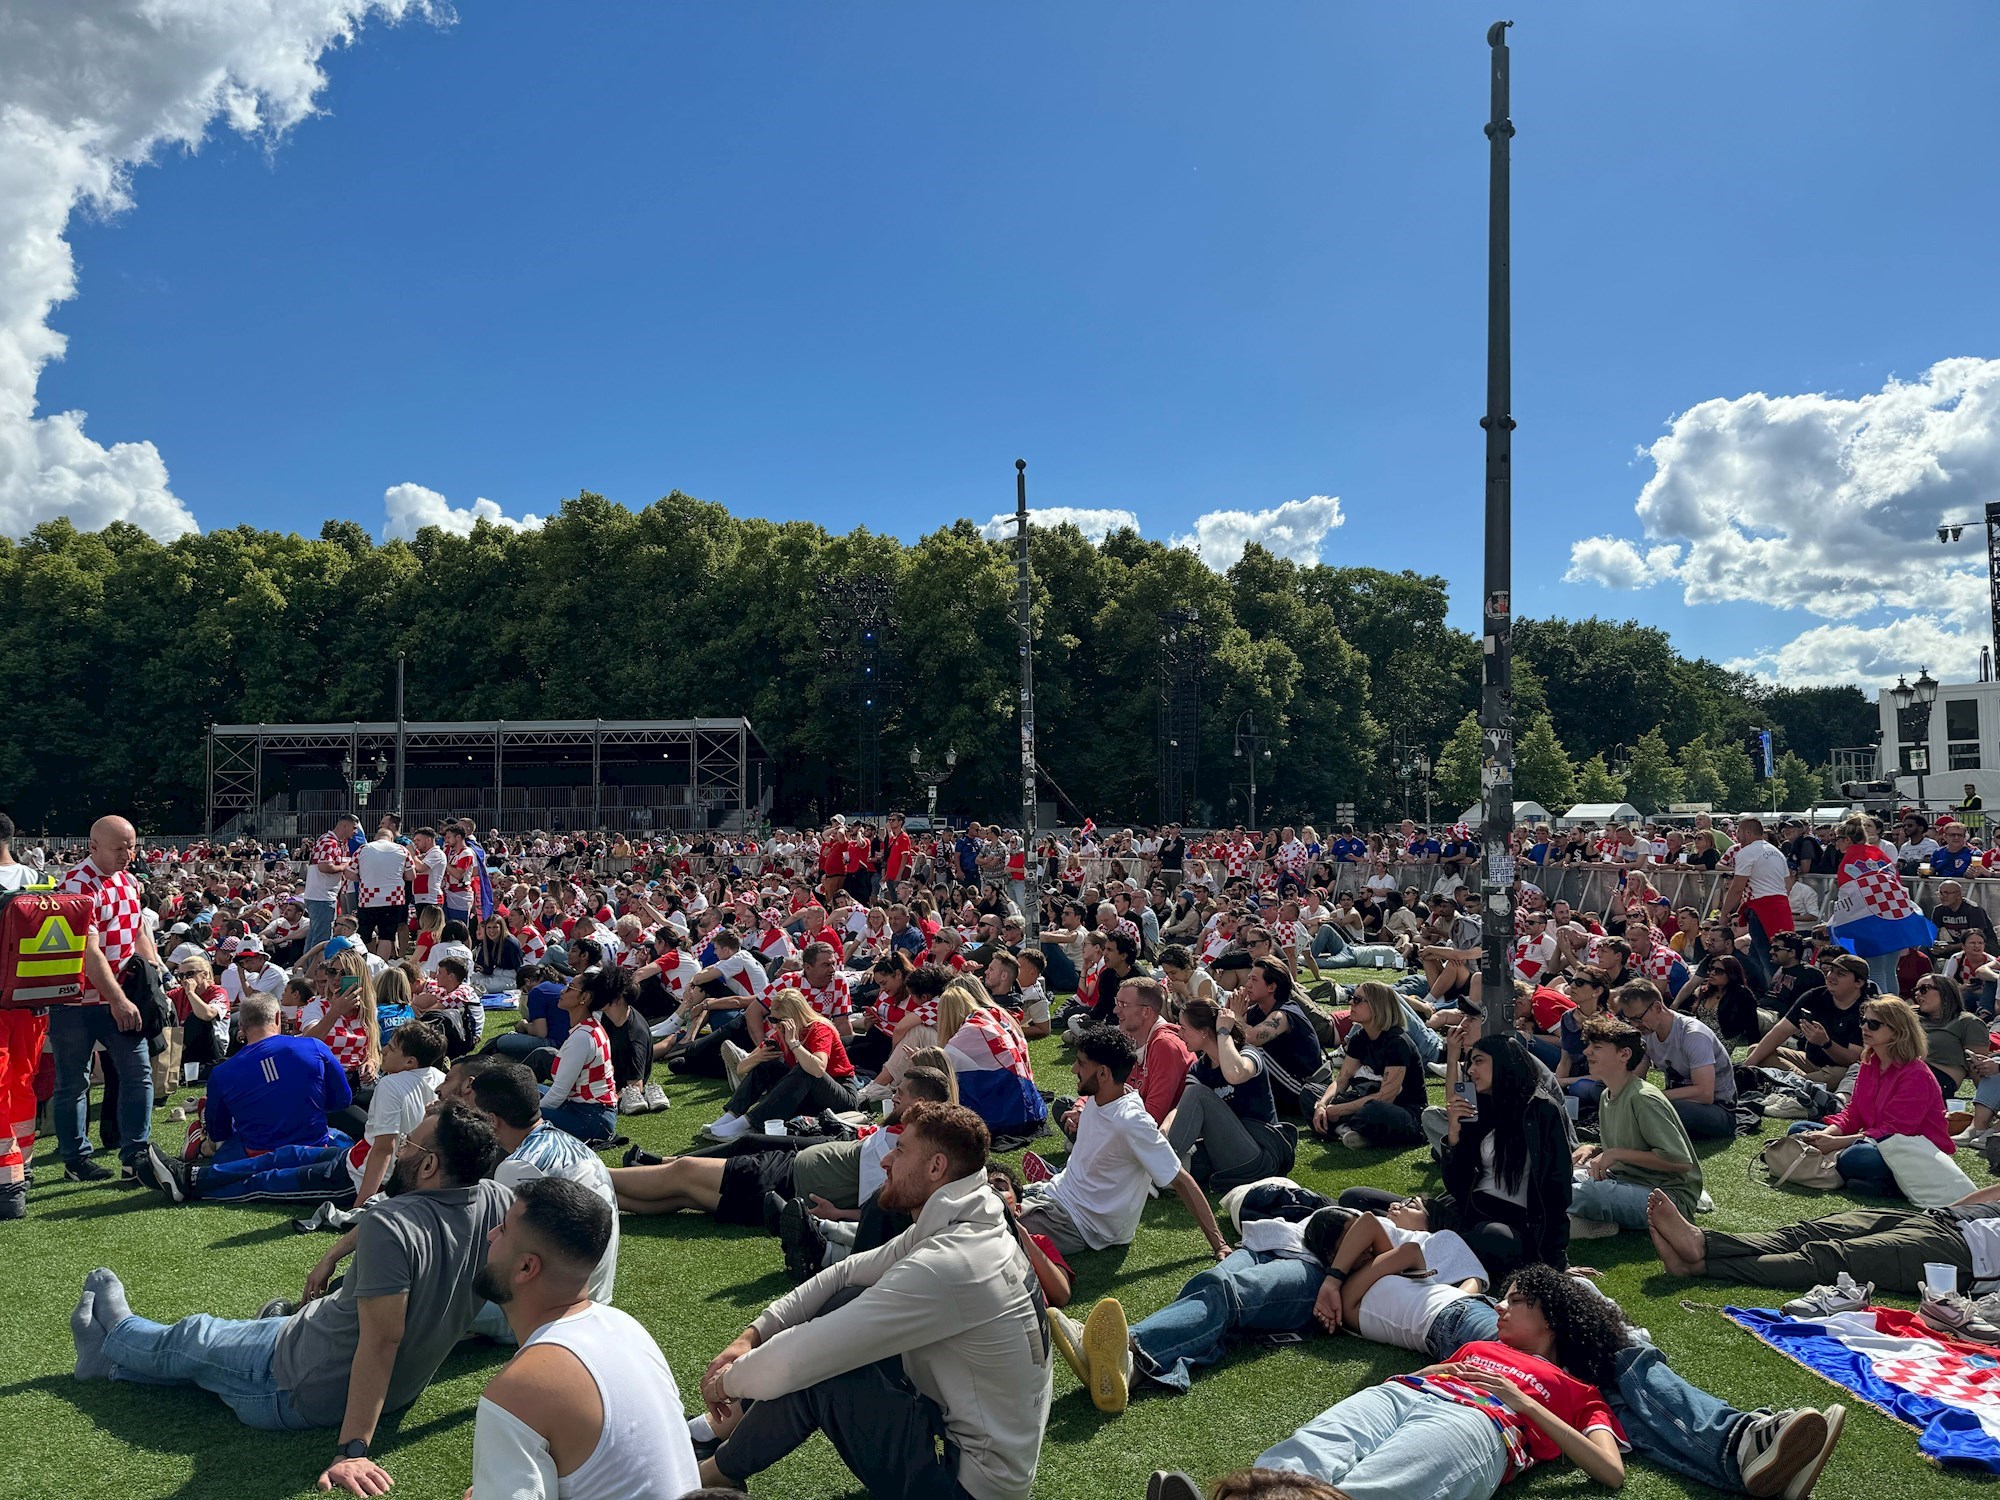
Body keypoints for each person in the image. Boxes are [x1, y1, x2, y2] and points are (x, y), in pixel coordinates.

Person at [72, 1103, 509, 1497]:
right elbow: (389, 1221)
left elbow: (382, 1343)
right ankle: (107, 1366)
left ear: (429, 1164)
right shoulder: (495, 1201)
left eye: (409, 1143)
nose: (399, 1149)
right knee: (209, 1364)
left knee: (192, 1337)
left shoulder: (394, 1226)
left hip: (294, 1383)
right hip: (378, 1381)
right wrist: (334, 1251)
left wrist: (353, 1449)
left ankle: (119, 1334)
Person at [694, 1102, 1053, 1500]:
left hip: (966, 1488)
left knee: (823, 1370)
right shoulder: (971, 1214)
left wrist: (725, 1382)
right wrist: (753, 1335)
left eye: (900, 1150)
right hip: (976, 1445)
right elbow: (846, 1273)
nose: (885, 1159)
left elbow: (804, 1357)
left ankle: (716, 1472)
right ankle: (727, 1441)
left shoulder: (950, 1263)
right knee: (846, 1300)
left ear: (935, 1168)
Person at [1243, 1263, 1627, 1499]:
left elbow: (1611, 1472)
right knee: (1297, 1458)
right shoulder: (1479, 1346)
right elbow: (1421, 1379)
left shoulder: (1581, 1392)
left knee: (1379, 1488)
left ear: (1552, 1320)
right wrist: (1426, 1373)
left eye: (1517, 1301)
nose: (1500, 1305)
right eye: (1503, 1298)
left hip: (1482, 1420)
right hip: (1403, 1393)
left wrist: (1524, 1402)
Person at [469, 1176, 700, 1499]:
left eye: (504, 1229)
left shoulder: (520, 1389)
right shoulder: (626, 1327)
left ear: (525, 1268)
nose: (492, 1235)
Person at [140, 1018, 445, 1207]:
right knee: (282, 1157)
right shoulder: (437, 1079)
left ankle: (191, 1183)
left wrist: (362, 1204)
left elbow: (384, 1149)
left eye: (391, 1048)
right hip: (352, 1154)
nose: (383, 1051)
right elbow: (342, 1101)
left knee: (269, 1179)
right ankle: (190, 1175)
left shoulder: (391, 1087)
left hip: (357, 1176)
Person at [1342, 1034, 1571, 1275]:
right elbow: (1456, 1185)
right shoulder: (1479, 1105)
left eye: (1479, 1061)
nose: (1471, 1070)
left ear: (1504, 1061)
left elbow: (1556, 1189)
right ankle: (1417, 1236)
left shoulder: (1541, 1111)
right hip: (1465, 1207)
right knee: (1354, 1197)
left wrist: (1557, 1260)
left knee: (1499, 1242)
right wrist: (1454, 1131)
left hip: (1505, 1221)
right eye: (1469, 1063)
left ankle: (1414, 1234)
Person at [1017, 1027, 1233, 1261]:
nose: (1073, 1069)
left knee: (995, 1226)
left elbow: (1181, 1180)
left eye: (1080, 1063)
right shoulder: (1102, 1098)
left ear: (1102, 1073)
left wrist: (1219, 1245)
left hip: (1079, 1224)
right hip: (1056, 1195)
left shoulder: (1131, 1122)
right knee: (989, 1198)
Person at [50, 815, 160, 1182]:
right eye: (119, 848)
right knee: (74, 1081)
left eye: (131, 846)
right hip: (79, 1000)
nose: (128, 855)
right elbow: (87, 952)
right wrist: (118, 999)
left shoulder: (129, 881)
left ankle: (135, 1155)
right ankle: (76, 1159)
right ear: (93, 846)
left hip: (117, 994)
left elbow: (137, 933)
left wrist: (156, 972)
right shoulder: (78, 885)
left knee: (138, 1073)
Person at [1778, 995, 1953, 1199]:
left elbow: (1895, 1132)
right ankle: (1862, 1177)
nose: (1864, 1028)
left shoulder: (1916, 1074)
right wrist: (1828, 1133)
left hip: (1913, 1151)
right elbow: (1854, 1113)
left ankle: (1887, 1184)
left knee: (1856, 1156)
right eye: (1863, 1021)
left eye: (1873, 1024)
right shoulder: (1870, 1064)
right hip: (1876, 1139)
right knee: (1799, 1130)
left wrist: (1835, 1142)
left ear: (1898, 1032)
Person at [1566, 1015, 1701, 1240]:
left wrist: (1615, 1154)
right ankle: (1582, 1222)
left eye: (1597, 1047)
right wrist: (1594, 1149)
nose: (1587, 1052)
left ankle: (1582, 1222)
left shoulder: (1643, 1098)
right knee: (1558, 1177)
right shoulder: (1606, 1095)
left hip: (1667, 1198)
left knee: (1582, 1193)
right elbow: (1629, 1144)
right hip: (1625, 1181)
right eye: (1589, 1046)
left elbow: (1680, 1162)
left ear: (1624, 1054)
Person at [190, 992, 353, 1162]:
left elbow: (219, 1134)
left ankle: (200, 1144)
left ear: (241, 1026)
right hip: (314, 1151)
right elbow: (342, 1100)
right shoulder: (314, 1046)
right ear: (277, 1018)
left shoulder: (221, 1072)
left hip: (256, 1158)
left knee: (224, 1142)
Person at [1162, 1000, 1295, 1193]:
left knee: (1198, 1094)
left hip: (1259, 1155)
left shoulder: (1249, 1053)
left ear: (1204, 1032)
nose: (1179, 1034)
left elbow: (1234, 1074)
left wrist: (1223, 1032)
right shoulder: (1199, 1069)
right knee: (1190, 1163)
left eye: (1183, 1028)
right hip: (1226, 1152)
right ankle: (1161, 1171)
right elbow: (1183, 1109)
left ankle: (1162, 1169)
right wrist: (1162, 1133)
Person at [704, 985, 858, 1142]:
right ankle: (732, 1115)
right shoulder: (780, 1034)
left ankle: (747, 1123)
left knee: (804, 1069)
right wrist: (758, 1057)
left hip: (841, 1097)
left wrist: (794, 1044)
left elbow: (818, 1070)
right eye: (772, 1019)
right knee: (768, 1064)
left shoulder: (820, 1029)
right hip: (809, 1096)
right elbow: (740, 1068)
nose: (775, 1025)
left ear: (795, 1017)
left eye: (779, 1020)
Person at [1614, 979, 1737, 1140]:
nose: (1634, 1025)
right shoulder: (1647, 1033)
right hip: (1682, 1103)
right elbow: (1637, 1077)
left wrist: (1651, 1096)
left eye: (1637, 1018)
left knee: (1654, 1107)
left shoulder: (1693, 1034)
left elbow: (1705, 1093)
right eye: (1628, 1019)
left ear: (1657, 1007)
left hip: (1718, 1110)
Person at [1312, 981, 1424, 1149]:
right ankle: (1352, 1130)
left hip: (1402, 1110)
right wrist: (1323, 1104)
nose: (1350, 1003)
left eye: (1357, 1000)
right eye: (1351, 998)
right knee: (1310, 1093)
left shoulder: (1397, 1043)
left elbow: (1387, 1097)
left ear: (1377, 1006)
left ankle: (1344, 1127)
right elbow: (1342, 1079)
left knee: (1375, 1109)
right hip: (1363, 1098)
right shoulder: (1359, 1038)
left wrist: (1339, 1110)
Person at [1743, 952, 1868, 1091]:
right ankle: (1801, 1084)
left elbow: (1853, 1059)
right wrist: (1746, 1066)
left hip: (1839, 1069)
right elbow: (1780, 1031)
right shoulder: (1814, 996)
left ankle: (1789, 1083)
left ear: (1859, 982)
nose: (1831, 976)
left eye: (1840, 974)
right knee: (1756, 1051)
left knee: (1842, 1075)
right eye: (1831, 970)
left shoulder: (1866, 1010)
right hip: (1809, 1062)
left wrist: (1825, 1043)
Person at [539, 964, 622, 1143]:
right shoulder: (588, 1028)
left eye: (569, 988)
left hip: (591, 1119)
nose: (563, 991)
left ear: (584, 997)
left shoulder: (582, 1037)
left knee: (516, 1115)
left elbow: (558, 1094)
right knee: (524, 1092)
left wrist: (529, 1114)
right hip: (588, 1110)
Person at [1719, 815, 1793, 992]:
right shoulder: (1776, 852)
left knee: (1770, 957)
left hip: (1762, 908)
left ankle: (1778, 995)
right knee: (1764, 955)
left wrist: (1723, 914)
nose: (1736, 835)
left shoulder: (1746, 852)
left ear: (1748, 832)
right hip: (1781, 906)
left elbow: (1737, 887)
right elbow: (1788, 884)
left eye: (1738, 831)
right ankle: (1758, 991)